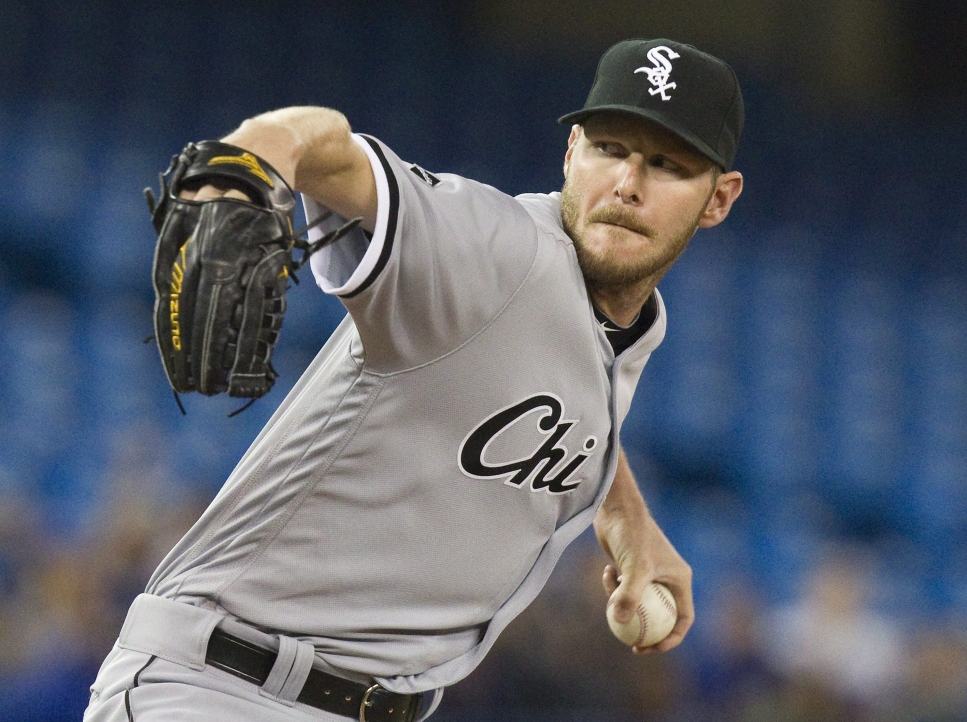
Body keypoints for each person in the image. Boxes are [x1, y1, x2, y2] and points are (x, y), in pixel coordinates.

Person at [84, 37, 744, 722]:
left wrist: (627, 520)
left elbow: (555, 394)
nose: (628, 182)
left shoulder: (625, 325)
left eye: (667, 165)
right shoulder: (495, 246)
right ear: (572, 151)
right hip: (223, 687)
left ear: (718, 199)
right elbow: (324, 147)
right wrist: (246, 166)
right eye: (610, 148)